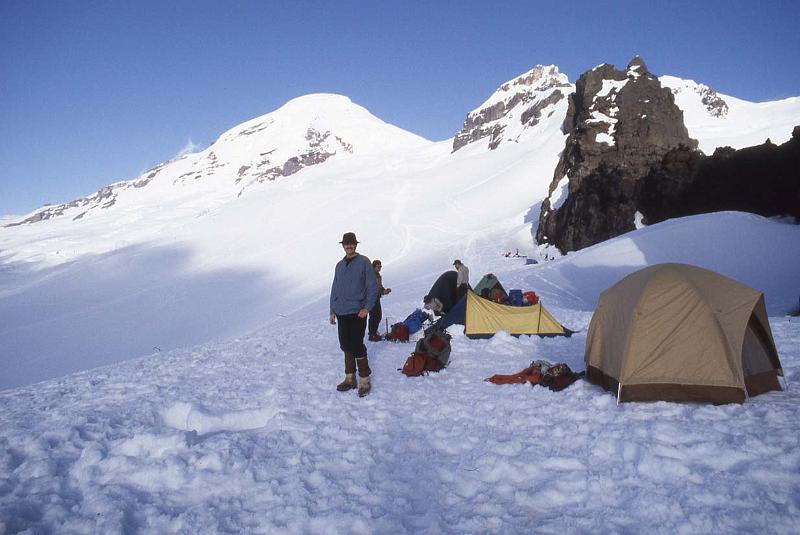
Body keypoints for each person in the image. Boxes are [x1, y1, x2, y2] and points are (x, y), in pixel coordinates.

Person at [330, 232, 378, 397]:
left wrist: (367, 308)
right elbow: (334, 289)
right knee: (345, 345)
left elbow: (372, 287)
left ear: (355, 245)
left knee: (356, 344)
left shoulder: (364, 262)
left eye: (351, 244)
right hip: (342, 312)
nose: (349, 246)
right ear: (343, 246)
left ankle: (364, 379)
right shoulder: (339, 265)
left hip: (358, 312)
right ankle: (350, 378)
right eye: (346, 244)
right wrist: (332, 310)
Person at [368, 259, 392, 341]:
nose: (379, 268)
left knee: (377, 316)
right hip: (371, 299)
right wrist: (382, 292)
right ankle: (372, 334)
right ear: (373, 267)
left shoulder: (377, 275)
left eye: (380, 266)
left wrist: (385, 291)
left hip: (376, 298)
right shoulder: (370, 276)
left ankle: (373, 332)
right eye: (378, 267)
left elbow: (379, 287)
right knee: (375, 316)